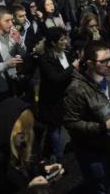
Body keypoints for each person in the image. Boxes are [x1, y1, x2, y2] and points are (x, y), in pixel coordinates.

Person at [63, 40, 110, 194]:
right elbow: (70, 123)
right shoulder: (76, 89)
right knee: (99, 186)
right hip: (91, 150)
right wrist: (102, 127)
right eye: (104, 61)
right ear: (90, 63)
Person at [0, 98, 64, 194]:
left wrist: (46, 170)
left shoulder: (26, 138)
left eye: (29, 128)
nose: (26, 137)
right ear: (7, 129)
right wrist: (27, 190)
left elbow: (35, 164)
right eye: (21, 132)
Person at [38, 27, 76, 162]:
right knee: (55, 129)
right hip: (52, 100)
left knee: (56, 128)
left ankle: (47, 153)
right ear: (53, 43)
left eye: (65, 38)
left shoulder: (65, 54)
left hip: (65, 98)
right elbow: (56, 78)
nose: (65, 42)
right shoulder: (45, 59)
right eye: (61, 40)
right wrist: (73, 67)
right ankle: (59, 160)